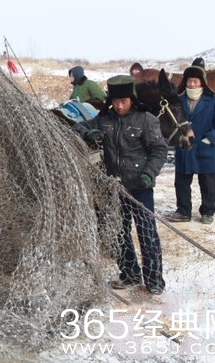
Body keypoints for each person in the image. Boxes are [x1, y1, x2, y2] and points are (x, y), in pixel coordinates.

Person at [73, 75, 168, 295]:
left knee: (147, 233)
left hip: (140, 187)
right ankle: (129, 275)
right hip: (115, 188)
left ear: (132, 99)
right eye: (115, 101)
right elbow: (77, 127)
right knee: (120, 233)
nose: (119, 105)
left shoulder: (146, 119)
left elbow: (159, 150)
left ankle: (154, 281)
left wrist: (148, 174)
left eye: (124, 101)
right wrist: (88, 132)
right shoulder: (104, 118)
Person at [165, 66, 215, 224]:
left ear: (202, 83)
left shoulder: (213, 101)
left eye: (195, 81)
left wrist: (210, 139)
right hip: (184, 148)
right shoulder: (178, 100)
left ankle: (207, 212)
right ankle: (183, 211)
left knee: (207, 184)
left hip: (205, 149)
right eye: (189, 81)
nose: (192, 84)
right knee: (181, 182)